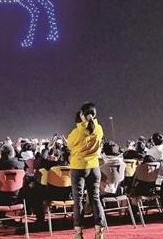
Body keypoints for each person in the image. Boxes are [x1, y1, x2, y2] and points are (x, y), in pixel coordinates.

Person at [67, 102, 106, 239]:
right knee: (95, 199)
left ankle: (78, 233)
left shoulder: (76, 132)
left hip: (78, 167)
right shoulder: (99, 129)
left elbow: (69, 144)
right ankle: (99, 232)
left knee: (78, 200)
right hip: (94, 167)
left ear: (82, 115)